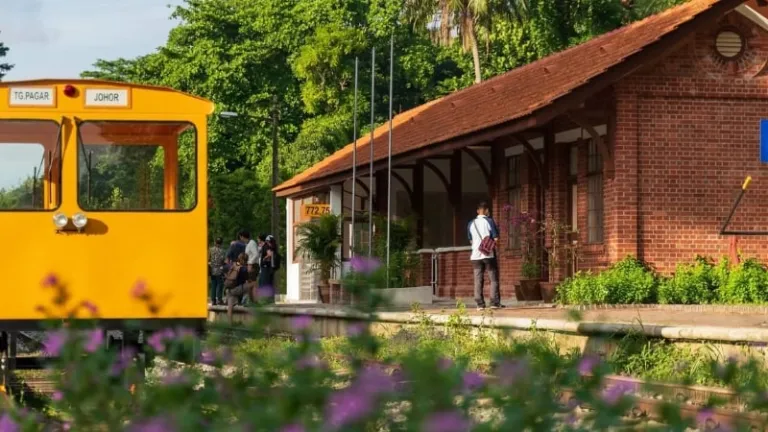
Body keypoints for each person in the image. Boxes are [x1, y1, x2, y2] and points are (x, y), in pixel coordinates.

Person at [468, 201, 504, 310]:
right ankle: (494, 303)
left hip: (475, 255)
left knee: (478, 279)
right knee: (493, 278)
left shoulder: (471, 223)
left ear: (477, 211)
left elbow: (470, 240)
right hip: (488, 255)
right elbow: (496, 238)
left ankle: (480, 304)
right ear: (487, 210)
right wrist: (489, 246)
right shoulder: (489, 221)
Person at [224, 253, 249, 325]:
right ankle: (245, 301)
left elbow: (226, 273)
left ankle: (230, 323)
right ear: (244, 260)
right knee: (251, 285)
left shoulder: (234, 266)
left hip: (229, 289)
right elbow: (247, 280)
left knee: (230, 307)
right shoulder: (244, 269)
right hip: (237, 289)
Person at [255, 234, 279, 304]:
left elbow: (269, 254)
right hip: (271, 267)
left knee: (263, 283)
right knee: (269, 283)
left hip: (265, 268)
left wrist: (265, 258)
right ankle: (270, 299)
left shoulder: (266, 246)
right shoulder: (274, 247)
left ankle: (264, 300)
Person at [208, 237, 226, 305]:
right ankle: (219, 299)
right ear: (221, 243)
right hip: (219, 270)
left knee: (213, 285)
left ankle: (213, 300)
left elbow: (208, 259)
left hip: (212, 270)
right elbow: (223, 261)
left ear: (215, 242)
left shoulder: (211, 249)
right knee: (219, 285)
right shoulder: (223, 251)